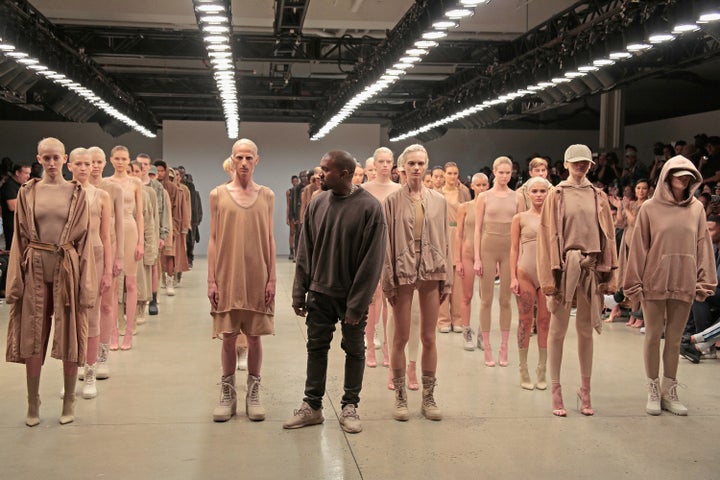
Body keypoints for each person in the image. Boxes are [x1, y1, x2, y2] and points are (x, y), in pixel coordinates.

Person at [285, 150, 385, 434]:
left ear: (344, 173)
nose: (320, 173)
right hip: (320, 293)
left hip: (351, 298)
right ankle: (312, 406)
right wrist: (298, 292)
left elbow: (372, 262)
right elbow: (305, 251)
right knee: (316, 348)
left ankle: (350, 406)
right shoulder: (317, 203)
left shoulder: (370, 208)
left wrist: (356, 305)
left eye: (326, 169)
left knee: (354, 350)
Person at [6, 137, 96, 426]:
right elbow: (19, 240)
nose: (52, 163)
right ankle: (33, 402)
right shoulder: (28, 192)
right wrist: (14, 282)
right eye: (46, 158)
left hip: (67, 268)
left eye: (56, 157)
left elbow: (84, 240)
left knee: (70, 334)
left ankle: (69, 400)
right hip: (34, 268)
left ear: (65, 158)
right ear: (39, 159)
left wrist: (86, 285)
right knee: (32, 337)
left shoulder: (76, 192)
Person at [624, 155, 715, 416]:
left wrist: (704, 279)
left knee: (674, 340)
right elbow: (639, 248)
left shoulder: (696, 208)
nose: (684, 178)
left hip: (684, 279)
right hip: (654, 279)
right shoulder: (650, 208)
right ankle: (652, 388)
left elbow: (703, 244)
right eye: (678, 173)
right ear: (667, 175)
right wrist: (634, 283)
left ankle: (669, 390)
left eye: (688, 175)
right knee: (653, 335)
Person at [537, 144, 618, 417]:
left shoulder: (599, 196)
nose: (581, 166)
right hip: (565, 267)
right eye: (576, 162)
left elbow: (609, 236)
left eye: (585, 162)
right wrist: (549, 279)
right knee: (557, 330)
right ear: (566, 164)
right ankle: (556, 389)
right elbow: (546, 238)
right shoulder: (556, 195)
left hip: (591, 266)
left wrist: (610, 273)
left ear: (591, 165)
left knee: (585, 330)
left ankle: (585, 390)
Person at [208, 139, 276, 423]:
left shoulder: (267, 195)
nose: (244, 162)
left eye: (249, 157)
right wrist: (212, 279)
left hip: (258, 275)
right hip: (228, 274)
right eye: (239, 157)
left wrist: (272, 277)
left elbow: (270, 238)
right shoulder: (217, 195)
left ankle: (254, 391)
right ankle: (227, 392)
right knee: (228, 337)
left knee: (255, 337)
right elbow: (213, 239)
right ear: (232, 160)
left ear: (256, 160)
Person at [384, 144, 451, 422]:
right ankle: (400, 397)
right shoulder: (391, 202)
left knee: (429, 336)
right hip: (403, 270)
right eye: (411, 163)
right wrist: (387, 278)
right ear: (402, 167)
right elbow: (385, 243)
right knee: (400, 337)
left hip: (432, 271)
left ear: (426, 166)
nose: (416, 168)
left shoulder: (439, 200)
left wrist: (447, 278)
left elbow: (446, 239)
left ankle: (428, 396)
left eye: (421, 163)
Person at [68, 148, 113, 399]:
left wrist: (107, 271)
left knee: (92, 314)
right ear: (70, 166)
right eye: (79, 164)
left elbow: (106, 236)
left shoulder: (102, 196)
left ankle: (90, 370)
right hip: (69, 256)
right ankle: (71, 373)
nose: (84, 168)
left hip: (94, 254)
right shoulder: (64, 193)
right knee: (69, 316)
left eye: (88, 164)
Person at [473, 156, 523, 367]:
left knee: (505, 300)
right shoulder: (484, 197)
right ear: (494, 172)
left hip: (509, 248)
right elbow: (477, 228)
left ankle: (504, 346)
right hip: (488, 246)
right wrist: (477, 257)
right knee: (486, 300)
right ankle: (487, 346)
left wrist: (519, 257)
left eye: (508, 173)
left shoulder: (518, 197)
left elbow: (521, 229)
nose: (504, 176)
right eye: (501, 172)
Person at [510, 176, 551, 390]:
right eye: (534, 191)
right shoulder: (520, 218)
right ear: (527, 193)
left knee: (544, 321)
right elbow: (514, 249)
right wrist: (513, 277)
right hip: (525, 271)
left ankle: (542, 368)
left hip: (547, 274)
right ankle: (523, 367)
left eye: (542, 191)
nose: (538, 195)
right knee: (525, 321)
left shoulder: (554, 218)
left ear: (548, 193)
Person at [362, 147, 401, 369]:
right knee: (372, 300)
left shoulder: (399, 189)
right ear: (374, 165)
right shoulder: (364, 190)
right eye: (381, 162)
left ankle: (387, 347)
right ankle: (369, 347)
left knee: (390, 301)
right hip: (370, 249)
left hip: (393, 249)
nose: (385, 165)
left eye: (389, 161)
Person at [107, 146, 144, 350]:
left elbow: (140, 214)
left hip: (130, 229)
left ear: (128, 160)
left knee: (131, 283)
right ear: (111, 160)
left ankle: (128, 333)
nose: (120, 162)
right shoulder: (107, 183)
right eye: (117, 159)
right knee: (112, 284)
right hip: (112, 229)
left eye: (124, 159)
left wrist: (141, 243)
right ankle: (113, 332)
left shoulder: (135, 182)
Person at [455, 173, 490, 350]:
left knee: (486, 298)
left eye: (485, 185)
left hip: (488, 255)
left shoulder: (492, 208)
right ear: (472, 187)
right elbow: (459, 234)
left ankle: (483, 333)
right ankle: (467, 331)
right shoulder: (465, 207)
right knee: (467, 295)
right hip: (467, 253)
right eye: (478, 185)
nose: (482, 188)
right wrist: (458, 260)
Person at [437, 161, 471, 334]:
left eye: (455, 173)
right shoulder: (437, 193)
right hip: (442, 235)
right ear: (444, 174)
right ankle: (443, 319)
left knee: (459, 276)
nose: (452, 176)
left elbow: (470, 214)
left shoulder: (464, 192)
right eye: (449, 173)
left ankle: (457, 318)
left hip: (461, 234)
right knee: (444, 276)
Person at [1, 163, 31, 249]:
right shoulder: (9, 185)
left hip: (21, 225)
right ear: (17, 173)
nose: (28, 176)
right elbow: (12, 206)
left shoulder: (21, 185)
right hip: (12, 225)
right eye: (26, 173)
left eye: (29, 173)